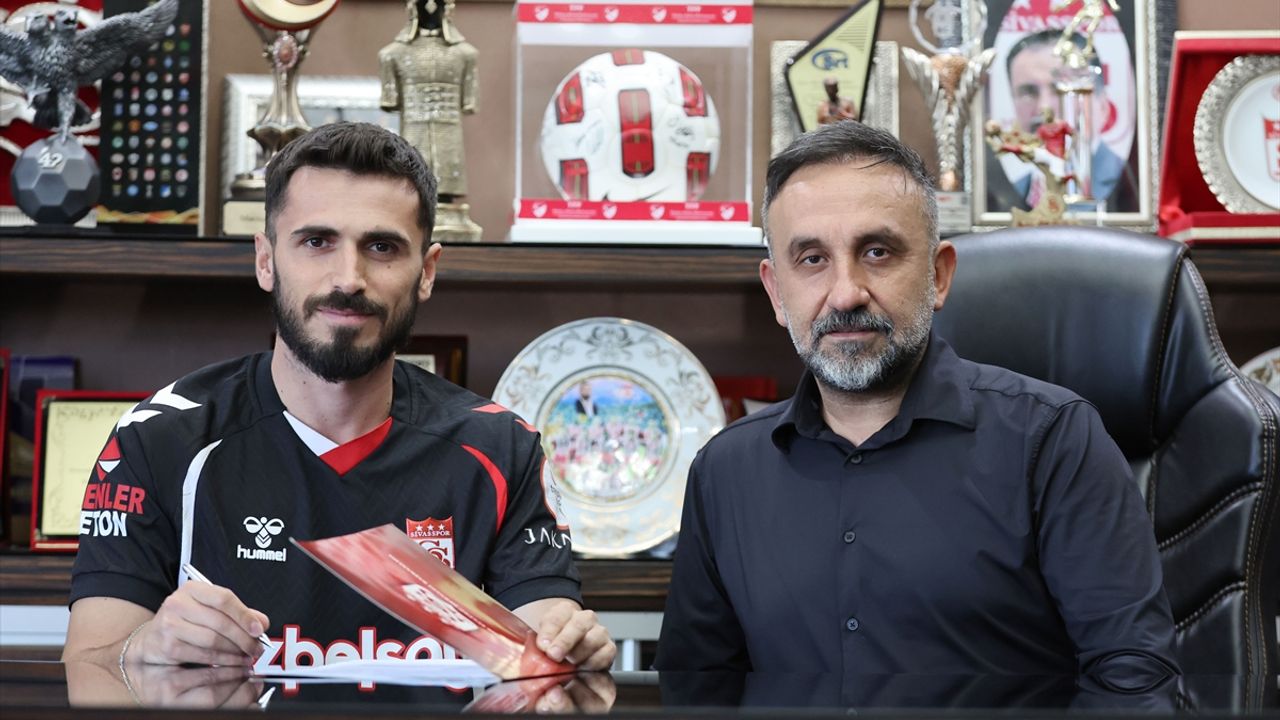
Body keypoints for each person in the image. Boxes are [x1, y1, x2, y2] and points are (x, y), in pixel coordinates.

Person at [62, 122, 615, 674]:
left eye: (381, 246)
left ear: (426, 273)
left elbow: (545, 645)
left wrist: (566, 655)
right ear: (265, 260)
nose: (349, 278)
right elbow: (90, 666)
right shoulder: (159, 439)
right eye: (316, 242)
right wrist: (145, 651)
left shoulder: (502, 448)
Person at [654, 120, 1178, 685]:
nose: (846, 293)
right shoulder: (724, 472)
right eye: (811, 259)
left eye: (877, 252)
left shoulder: (1053, 442)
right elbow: (696, 688)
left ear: (938, 275)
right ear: (777, 292)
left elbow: (1134, 676)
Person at [999, 29, 1128, 206]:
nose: (1044, 107)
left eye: (1061, 88)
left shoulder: (1130, 188)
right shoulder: (1013, 192)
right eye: (1028, 92)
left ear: (1103, 107)